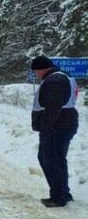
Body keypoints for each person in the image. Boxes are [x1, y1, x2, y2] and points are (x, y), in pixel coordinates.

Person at [30, 55, 79, 207]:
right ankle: (62, 192)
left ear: (41, 68)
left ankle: (58, 197)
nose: (36, 75)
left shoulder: (55, 81)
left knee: (51, 160)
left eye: (35, 71)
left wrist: (46, 128)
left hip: (57, 127)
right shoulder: (59, 77)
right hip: (61, 125)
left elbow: (53, 108)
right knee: (54, 159)